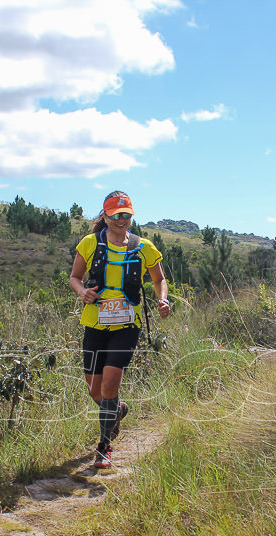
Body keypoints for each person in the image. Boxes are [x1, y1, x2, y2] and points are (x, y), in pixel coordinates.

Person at [69, 191, 170, 469]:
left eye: (126, 215)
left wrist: (163, 299)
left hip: (127, 324)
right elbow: (75, 277)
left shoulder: (143, 247)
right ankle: (118, 409)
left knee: (111, 383)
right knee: (94, 389)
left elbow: (159, 278)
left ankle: (103, 447)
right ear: (105, 216)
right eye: (115, 216)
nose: (121, 220)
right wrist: (82, 292)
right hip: (95, 323)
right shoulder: (90, 243)